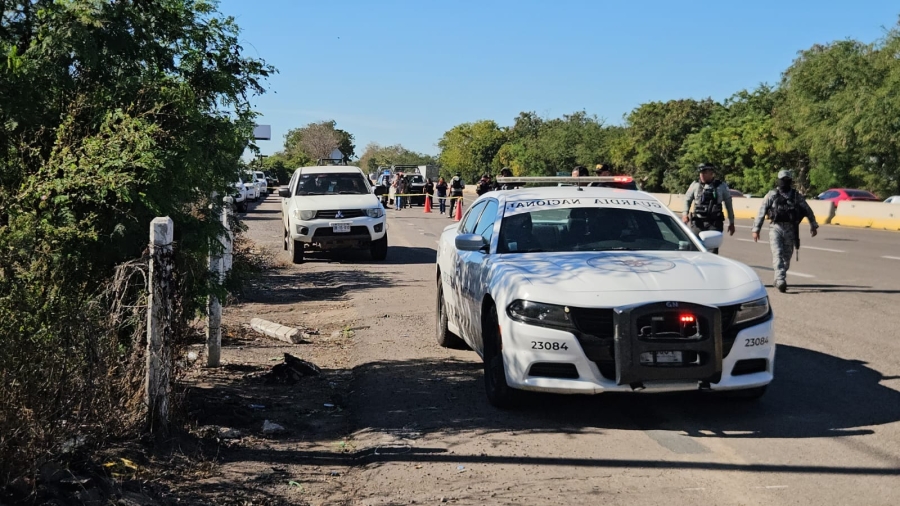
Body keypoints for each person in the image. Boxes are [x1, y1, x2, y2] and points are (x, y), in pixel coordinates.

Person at [751, 169, 819, 293]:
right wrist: (756, 229)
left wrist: (813, 225)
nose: (785, 182)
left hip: (790, 229)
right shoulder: (772, 195)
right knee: (777, 254)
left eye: (787, 180)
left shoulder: (796, 196)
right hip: (775, 228)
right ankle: (781, 280)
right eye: (783, 180)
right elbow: (762, 211)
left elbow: (807, 210)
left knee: (786, 258)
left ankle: (778, 278)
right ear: (779, 180)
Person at [682, 163, 735, 254]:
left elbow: (728, 204)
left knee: (712, 250)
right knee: (694, 249)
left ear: (711, 173)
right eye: (701, 173)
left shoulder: (721, 186)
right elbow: (687, 199)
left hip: (714, 224)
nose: (702, 175)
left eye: (705, 173)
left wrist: (732, 222)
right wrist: (684, 214)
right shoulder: (695, 185)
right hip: (698, 223)